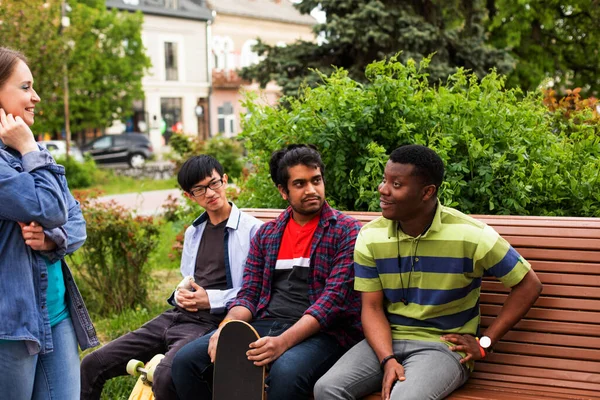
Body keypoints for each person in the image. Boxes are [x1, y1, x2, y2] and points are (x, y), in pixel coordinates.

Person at [314, 144, 543, 400]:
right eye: (384, 180)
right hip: (385, 340)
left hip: (442, 347)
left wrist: (485, 343)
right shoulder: (371, 236)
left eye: (396, 184)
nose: (382, 189)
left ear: (427, 192)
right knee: (327, 389)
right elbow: (372, 308)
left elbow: (529, 284)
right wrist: (387, 359)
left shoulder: (471, 235)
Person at [171, 144, 363, 400]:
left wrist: (282, 342)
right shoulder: (268, 235)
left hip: (324, 333)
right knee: (186, 362)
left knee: (285, 372)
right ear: (283, 191)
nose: (311, 190)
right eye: (300, 184)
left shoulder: (345, 231)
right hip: (266, 323)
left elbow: (331, 303)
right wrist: (226, 328)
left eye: (316, 181)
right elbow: (249, 294)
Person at [80, 154, 263, 400]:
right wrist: (180, 293)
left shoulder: (253, 230)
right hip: (176, 316)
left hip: (213, 322)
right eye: (199, 189)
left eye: (214, 183)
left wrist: (209, 299)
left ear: (225, 180)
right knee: (92, 364)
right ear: (189, 196)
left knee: (166, 375)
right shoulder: (193, 232)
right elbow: (187, 278)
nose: (210, 193)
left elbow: (254, 291)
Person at [0, 46, 97, 400]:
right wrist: (28, 146)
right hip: (11, 327)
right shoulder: (26, 154)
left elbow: (75, 221)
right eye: (25, 87)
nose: (35, 97)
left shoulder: (33, 154)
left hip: (56, 315)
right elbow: (54, 209)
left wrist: (53, 241)